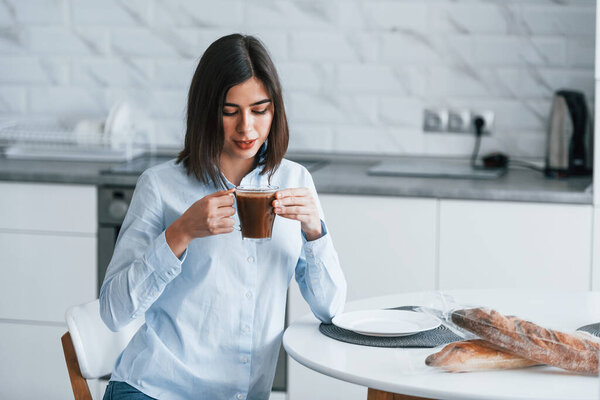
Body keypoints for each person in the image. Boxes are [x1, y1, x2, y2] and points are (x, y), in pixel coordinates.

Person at [99, 33, 347, 400]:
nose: (246, 128)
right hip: (154, 388)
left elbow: (331, 309)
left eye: (259, 110)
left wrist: (315, 231)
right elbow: (113, 312)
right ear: (207, 111)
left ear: (274, 110)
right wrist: (180, 232)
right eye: (230, 111)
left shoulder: (295, 181)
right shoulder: (160, 185)